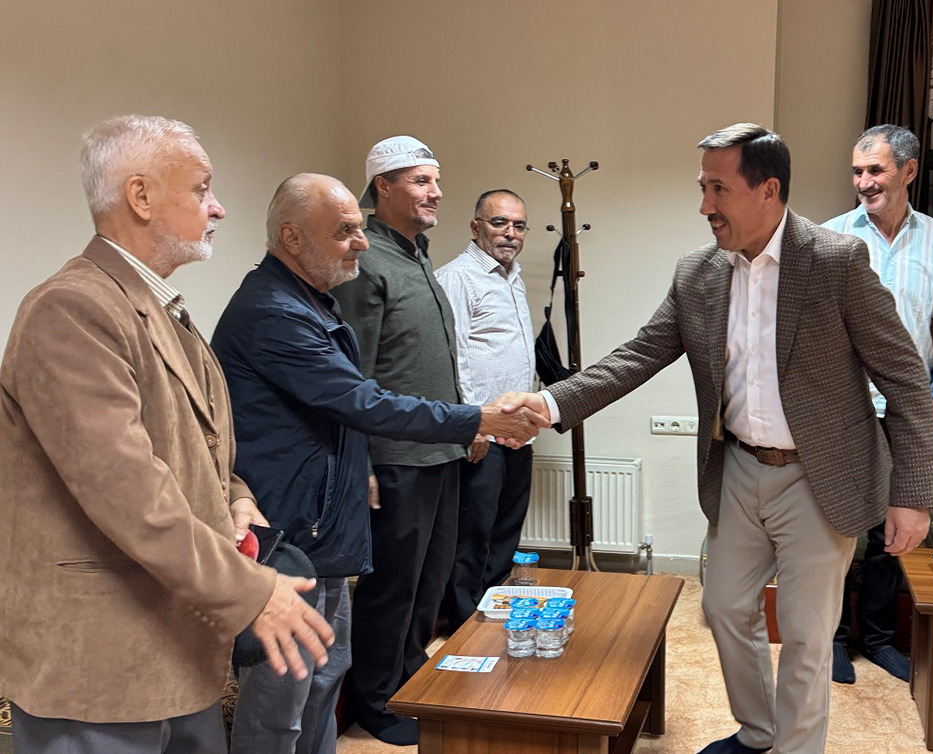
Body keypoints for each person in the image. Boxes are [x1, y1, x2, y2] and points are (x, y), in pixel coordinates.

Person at [497, 123, 933, 754]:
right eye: (702, 187)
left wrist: (911, 493)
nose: (704, 205)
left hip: (822, 476)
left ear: (768, 190)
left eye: (718, 189)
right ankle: (758, 733)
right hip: (738, 467)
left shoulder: (835, 262)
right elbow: (639, 354)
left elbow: (905, 377)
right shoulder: (698, 272)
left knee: (808, 635)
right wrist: (548, 402)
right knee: (725, 609)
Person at [0, 115, 333, 754]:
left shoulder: (158, 307)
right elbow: (126, 490)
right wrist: (253, 594)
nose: (219, 207)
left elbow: (194, 450)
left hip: (175, 648)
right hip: (99, 665)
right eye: (202, 189)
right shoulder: (71, 308)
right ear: (141, 196)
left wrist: (235, 495)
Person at [213, 173, 544, 753]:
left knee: (326, 672)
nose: (361, 243)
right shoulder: (274, 311)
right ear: (292, 237)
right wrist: (476, 419)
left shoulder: (313, 298)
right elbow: (361, 400)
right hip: (291, 529)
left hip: (325, 524)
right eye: (345, 231)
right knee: (281, 701)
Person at [329, 136, 476, 744]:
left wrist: (465, 426)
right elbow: (352, 373)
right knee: (392, 586)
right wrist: (360, 461)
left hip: (440, 450)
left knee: (428, 580)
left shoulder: (418, 258)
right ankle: (377, 701)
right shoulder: (366, 264)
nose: (435, 192)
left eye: (436, 180)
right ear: (382, 188)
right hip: (395, 457)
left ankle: (412, 680)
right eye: (420, 181)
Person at [820, 124, 933, 684]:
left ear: (908, 171)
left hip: (910, 413)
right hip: (846, 412)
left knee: (894, 536)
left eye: (875, 170)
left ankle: (878, 639)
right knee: (837, 530)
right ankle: (833, 639)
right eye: (857, 172)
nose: (864, 182)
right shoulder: (830, 237)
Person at [436, 189, 538, 633]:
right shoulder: (457, 278)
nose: (510, 233)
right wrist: (472, 425)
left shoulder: (512, 277)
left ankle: (492, 607)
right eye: (499, 223)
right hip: (482, 430)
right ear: (476, 227)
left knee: (505, 528)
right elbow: (452, 357)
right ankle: (463, 624)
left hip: (517, 427)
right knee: (472, 533)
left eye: (518, 225)